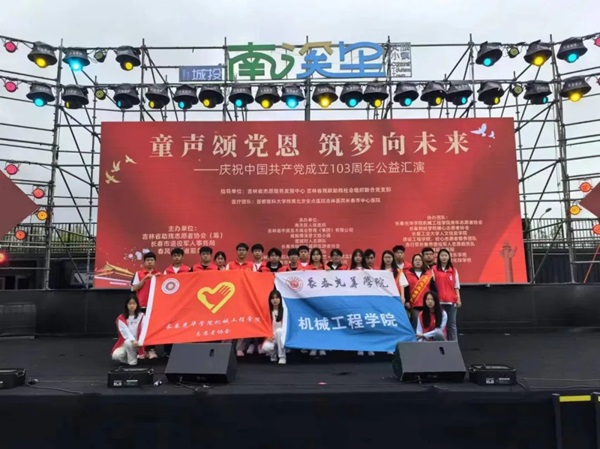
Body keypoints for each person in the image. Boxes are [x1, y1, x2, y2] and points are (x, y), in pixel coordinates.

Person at [130, 251, 160, 359]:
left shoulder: (159, 274)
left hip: (154, 306)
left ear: (155, 262)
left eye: (152, 260)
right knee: (141, 329)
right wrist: (144, 279)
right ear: (144, 262)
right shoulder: (138, 274)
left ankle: (151, 350)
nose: (150, 262)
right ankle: (141, 351)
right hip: (141, 305)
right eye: (147, 260)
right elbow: (133, 288)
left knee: (152, 329)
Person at [432, 248, 461, 341]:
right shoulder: (434, 269)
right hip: (438, 301)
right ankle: (440, 343)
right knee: (439, 324)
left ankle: (453, 344)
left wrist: (458, 298)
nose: (444, 257)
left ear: (449, 257)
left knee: (451, 324)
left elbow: (456, 286)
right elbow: (432, 284)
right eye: (442, 255)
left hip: (451, 301)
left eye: (446, 255)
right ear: (439, 257)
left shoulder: (453, 270)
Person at [404, 253, 437, 330]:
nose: (418, 262)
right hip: (414, 304)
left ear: (422, 262)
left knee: (428, 323)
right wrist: (407, 301)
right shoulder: (407, 274)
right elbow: (406, 289)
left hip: (427, 304)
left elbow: (433, 289)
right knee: (415, 323)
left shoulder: (428, 274)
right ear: (412, 262)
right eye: (416, 260)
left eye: (419, 260)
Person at [111, 296, 144, 365]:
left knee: (129, 343)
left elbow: (144, 330)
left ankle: (132, 362)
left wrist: (139, 341)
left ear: (137, 305)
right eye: (130, 304)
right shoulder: (121, 318)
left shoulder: (142, 316)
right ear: (126, 305)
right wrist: (133, 340)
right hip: (127, 343)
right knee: (116, 355)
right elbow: (125, 332)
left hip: (139, 343)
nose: (132, 306)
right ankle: (129, 359)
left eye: (134, 303)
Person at [261, 289, 286, 365]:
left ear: (280, 299)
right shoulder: (267, 312)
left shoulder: (285, 311)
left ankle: (282, 356)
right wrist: (267, 336)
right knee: (265, 347)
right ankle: (273, 354)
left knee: (279, 331)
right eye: (273, 298)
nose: (275, 300)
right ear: (270, 300)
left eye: (277, 298)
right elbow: (263, 326)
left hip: (282, 335)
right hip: (271, 337)